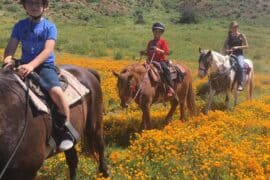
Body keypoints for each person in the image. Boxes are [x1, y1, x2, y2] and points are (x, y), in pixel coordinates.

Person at [3, 0, 79, 151]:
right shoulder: (19, 26)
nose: (34, 7)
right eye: (30, 3)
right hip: (23, 65)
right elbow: (11, 47)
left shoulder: (49, 27)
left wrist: (31, 65)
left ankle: (67, 129)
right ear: (24, 6)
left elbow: (47, 50)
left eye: (38, 3)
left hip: (44, 66)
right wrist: (7, 60)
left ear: (45, 6)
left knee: (55, 91)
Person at [142, 22, 174, 96]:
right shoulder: (150, 42)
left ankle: (170, 87)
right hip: (151, 61)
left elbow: (166, 52)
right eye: (155, 31)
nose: (157, 33)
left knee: (165, 70)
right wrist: (144, 53)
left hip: (160, 61)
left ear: (161, 33)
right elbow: (148, 52)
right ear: (153, 32)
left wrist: (158, 50)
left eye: (159, 32)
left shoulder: (163, 42)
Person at [223, 21, 249, 91]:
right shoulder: (229, 36)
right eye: (232, 27)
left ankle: (240, 84)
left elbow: (247, 46)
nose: (234, 29)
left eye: (235, 27)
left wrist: (237, 47)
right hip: (230, 54)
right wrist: (227, 50)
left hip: (239, 54)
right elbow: (225, 45)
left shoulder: (241, 35)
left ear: (237, 27)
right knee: (221, 65)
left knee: (240, 66)